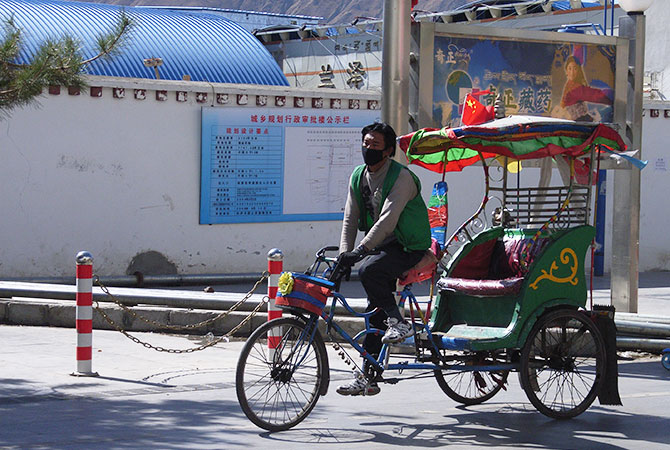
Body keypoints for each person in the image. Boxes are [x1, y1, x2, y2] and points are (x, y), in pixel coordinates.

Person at [335, 122, 431, 396]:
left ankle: (399, 321)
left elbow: (387, 221)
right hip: (384, 247)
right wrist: (345, 254)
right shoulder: (358, 176)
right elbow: (350, 218)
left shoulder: (401, 178)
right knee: (373, 313)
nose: (368, 149)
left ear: (388, 151)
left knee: (369, 271)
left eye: (375, 145)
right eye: (366, 144)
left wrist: (361, 251)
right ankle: (369, 375)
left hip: (409, 245)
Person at [558, 56, 611, 122]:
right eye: (569, 69)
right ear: (566, 71)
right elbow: (597, 96)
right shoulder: (575, 88)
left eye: (575, 69)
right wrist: (612, 95)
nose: (572, 72)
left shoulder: (569, 84)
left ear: (579, 70)